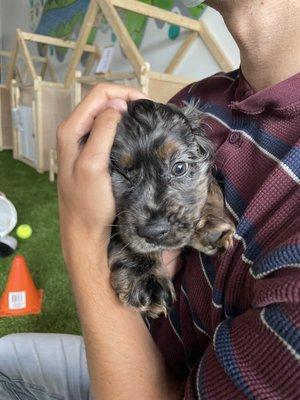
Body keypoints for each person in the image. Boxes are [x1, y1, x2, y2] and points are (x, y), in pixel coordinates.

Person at [0, 0, 299, 398]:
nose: (156, 218)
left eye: (179, 169)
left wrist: (81, 230)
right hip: (121, 348)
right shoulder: (197, 98)